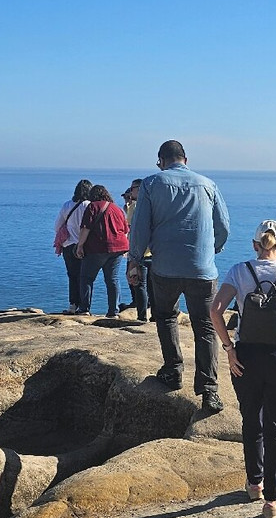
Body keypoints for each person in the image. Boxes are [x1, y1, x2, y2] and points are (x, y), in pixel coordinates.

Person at [211, 219, 276, 518]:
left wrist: (229, 349)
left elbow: (215, 311)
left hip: (245, 357)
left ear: (255, 245)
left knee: (251, 420)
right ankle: (273, 501)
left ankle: (254, 484)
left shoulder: (239, 271)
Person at [127, 141, 230, 413]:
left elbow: (140, 228)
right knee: (206, 327)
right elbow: (223, 227)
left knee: (166, 317)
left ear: (161, 160)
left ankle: (173, 371)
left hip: (164, 268)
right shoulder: (208, 184)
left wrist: (134, 261)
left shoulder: (150, 184)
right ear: (185, 159)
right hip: (202, 269)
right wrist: (211, 250)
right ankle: (209, 391)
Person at [74, 185, 129, 317]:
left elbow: (85, 228)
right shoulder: (117, 209)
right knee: (112, 279)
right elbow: (126, 230)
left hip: (97, 248)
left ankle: (84, 309)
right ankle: (113, 311)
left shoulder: (93, 207)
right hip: (118, 248)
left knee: (86, 278)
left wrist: (80, 246)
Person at [54, 179, 92, 314]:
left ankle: (73, 305)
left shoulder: (67, 205)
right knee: (85, 276)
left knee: (72, 275)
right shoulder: (89, 205)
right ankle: (85, 306)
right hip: (85, 245)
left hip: (68, 245)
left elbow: (57, 226)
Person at [119, 178, 155, 321]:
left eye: (132, 188)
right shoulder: (153, 205)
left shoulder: (135, 207)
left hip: (139, 252)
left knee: (139, 285)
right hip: (154, 250)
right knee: (153, 286)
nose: (130, 190)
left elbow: (130, 227)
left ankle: (142, 316)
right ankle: (155, 316)